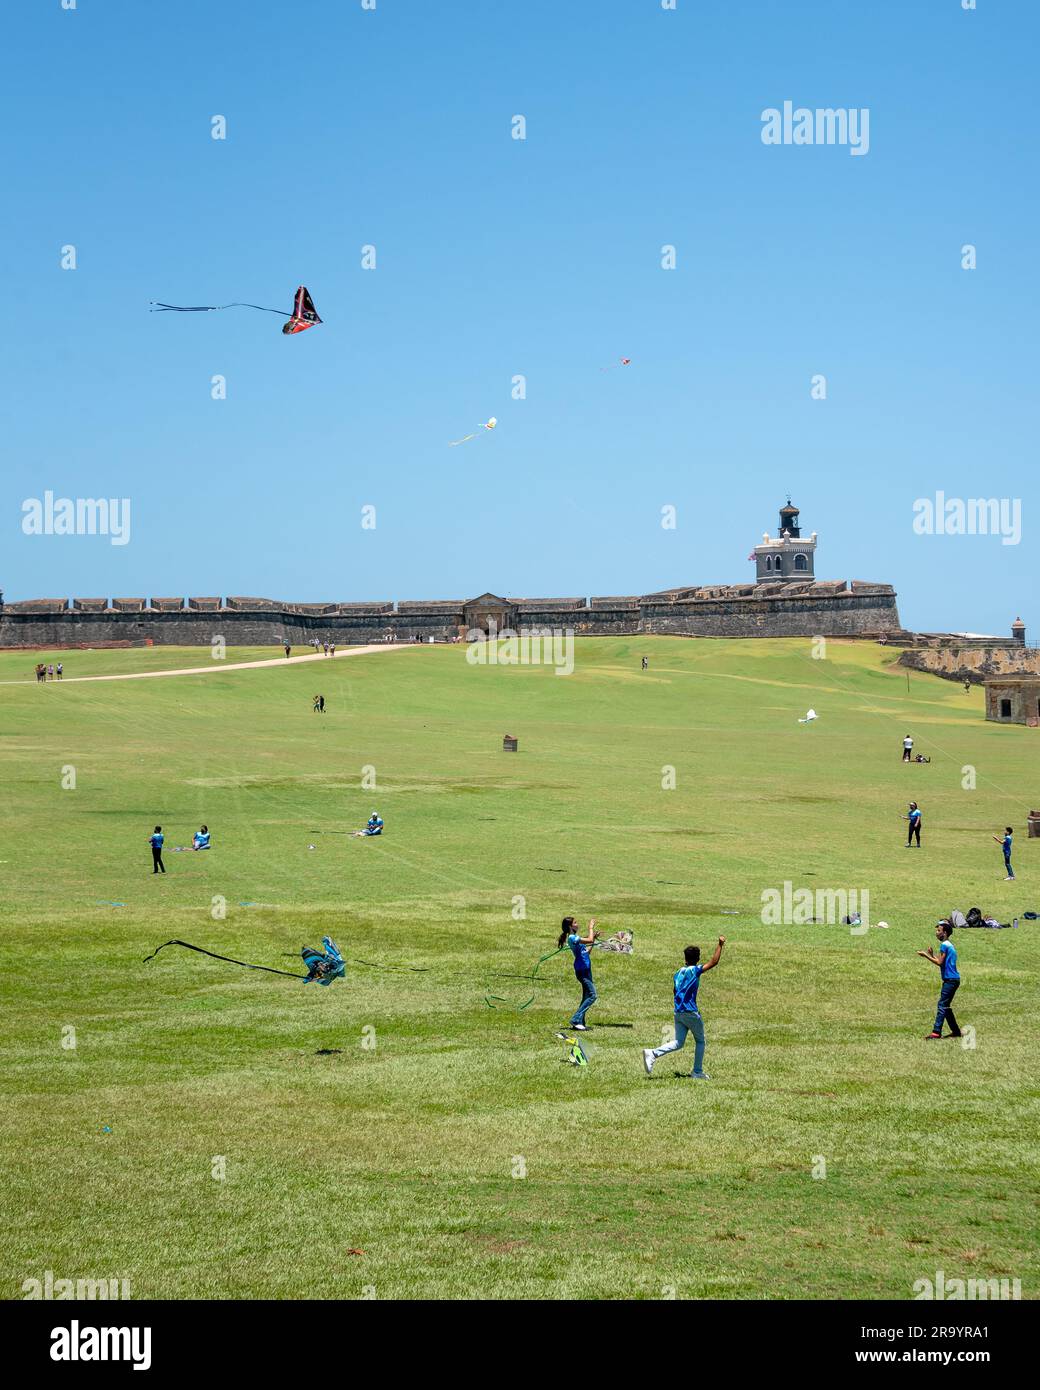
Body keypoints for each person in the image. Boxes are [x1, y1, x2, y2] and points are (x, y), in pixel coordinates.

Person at [643, 938, 725, 1080]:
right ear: (698, 958)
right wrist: (720, 945)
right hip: (690, 1012)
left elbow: (675, 991)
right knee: (700, 1041)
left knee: (678, 1043)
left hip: (678, 1012)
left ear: (685, 958)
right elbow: (714, 962)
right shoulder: (695, 970)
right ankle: (697, 1071)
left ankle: (653, 1053)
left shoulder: (678, 973)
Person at [918, 922, 961, 1039]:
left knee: (942, 1005)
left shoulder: (944, 946)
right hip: (954, 979)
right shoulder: (949, 945)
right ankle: (956, 1031)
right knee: (946, 1005)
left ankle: (936, 1032)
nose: (936, 933)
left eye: (939, 931)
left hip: (950, 980)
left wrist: (926, 955)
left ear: (945, 933)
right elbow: (943, 964)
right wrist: (932, 954)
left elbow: (939, 963)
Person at [558, 915, 599, 1030]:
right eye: (575, 922)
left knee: (586, 996)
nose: (577, 924)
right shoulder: (572, 938)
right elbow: (589, 940)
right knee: (592, 995)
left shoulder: (576, 938)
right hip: (582, 971)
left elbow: (587, 951)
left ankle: (580, 1023)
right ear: (570, 927)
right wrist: (590, 928)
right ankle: (576, 1019)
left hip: (586, 969)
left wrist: (594, 938)